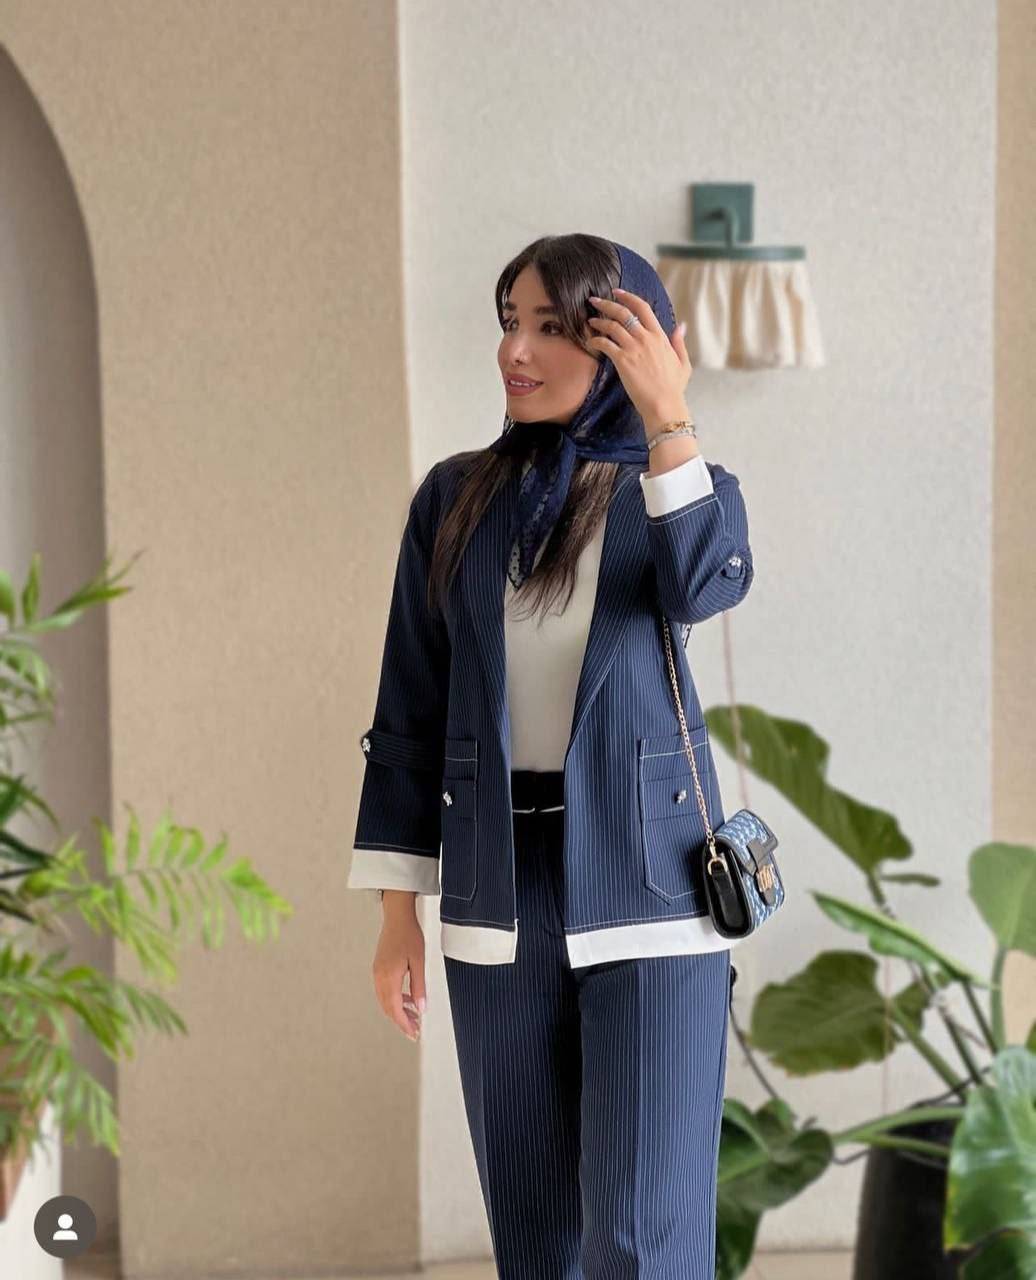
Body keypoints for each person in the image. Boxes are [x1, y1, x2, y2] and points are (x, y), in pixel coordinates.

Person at [348, 234, 755, 1278]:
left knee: (642, 1237)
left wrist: (667, 419)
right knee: (535, 1237)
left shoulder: (678, 490)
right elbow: (410, 707)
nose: (514, 351)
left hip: (652, 891)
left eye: (549, 327)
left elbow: (705, 586)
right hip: (499, 892)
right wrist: (397, 911)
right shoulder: (456, 499)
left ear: (624, 347)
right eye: (508, 322)